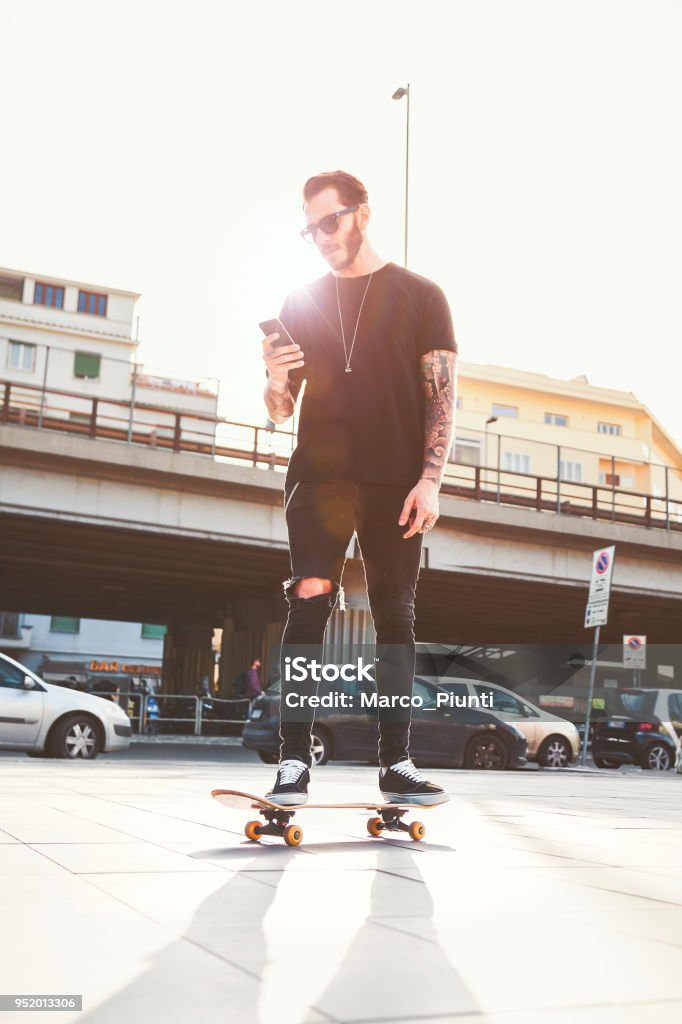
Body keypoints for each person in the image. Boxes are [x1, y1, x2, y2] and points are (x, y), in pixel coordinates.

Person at [262, 170, 457, 807]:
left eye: (330, 221)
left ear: (362, 215)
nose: (320, 237)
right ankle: (293, 763)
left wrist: (431, 479)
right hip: (318, 478)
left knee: (395, 615)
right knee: (308, 604)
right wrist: (272, 378)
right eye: (309, 227)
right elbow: (279, 410)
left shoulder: (421, 296)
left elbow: (442, 397)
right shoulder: (300, 302)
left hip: (396, 483)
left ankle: (395, 765)